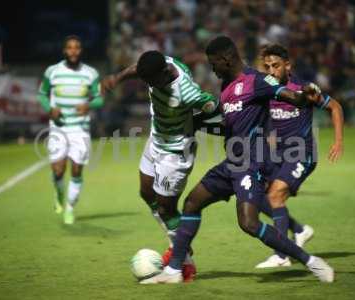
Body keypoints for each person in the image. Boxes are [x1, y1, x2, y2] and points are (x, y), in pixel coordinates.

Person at [141, 36, 334, 284]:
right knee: (192, 203)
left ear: (226, 59)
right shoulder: (227, 87)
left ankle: (312, 262)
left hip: (251, 163)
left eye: (213, 64)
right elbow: (228, 127)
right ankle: (174, 270)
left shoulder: (257, 80)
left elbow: (293, 97)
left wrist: (307, 93)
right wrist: (196, 123)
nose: (212, 69)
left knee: (249, 223)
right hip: (232, 162)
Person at [101, 51, 219, 281]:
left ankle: (183, 260)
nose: (149, 86)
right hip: (155, 140)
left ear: (164, 73)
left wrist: (204, 121)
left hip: (174, 153)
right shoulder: (158, 66)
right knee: (146, 192)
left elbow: (213, 105)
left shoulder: (186, 91)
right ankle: (179, 244)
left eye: (152, 81)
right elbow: (137, 68)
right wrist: (117, 78)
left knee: (166, 208)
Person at [255, 44, 344, 268]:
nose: (272, 71)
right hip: (278, 155)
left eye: (275, 66)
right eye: (268, 67)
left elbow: (335, 107)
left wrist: (338, 140)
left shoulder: (303, 90)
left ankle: (281, 255)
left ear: (287, 65)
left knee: (275, 196)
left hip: (302, 154)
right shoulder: (267, 90)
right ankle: (300, 230)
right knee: (255, 196)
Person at [37, 35, 104, 225]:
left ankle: (70, 208)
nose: (73, 51)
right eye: (70, 48)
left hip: (80, 129)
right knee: (58, 170)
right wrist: (50, 109)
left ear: (81, 51)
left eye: (77, 48)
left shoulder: (91, 73)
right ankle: (59, 194)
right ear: (64, 50)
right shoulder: (53, 71)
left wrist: (89, 105)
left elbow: (99, 98)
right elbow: (42, 95)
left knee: (76, 170)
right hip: (58, 128)